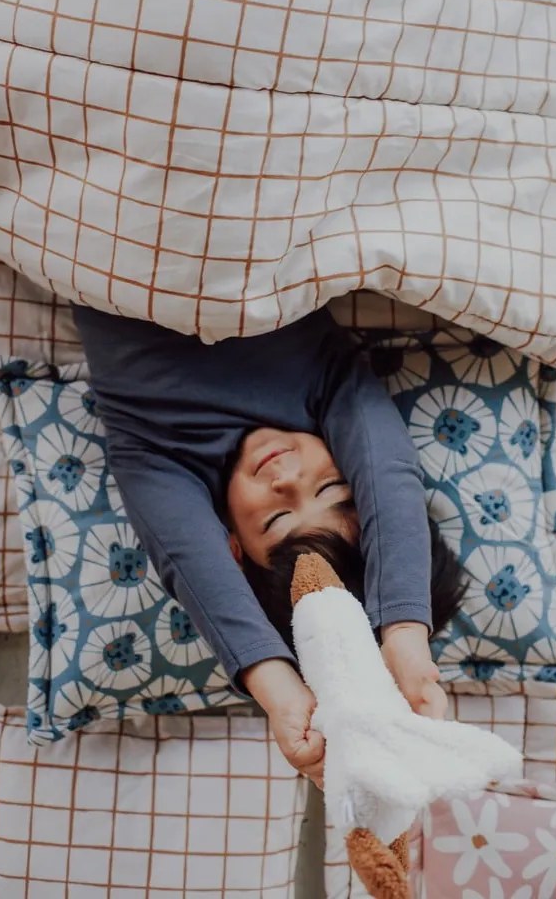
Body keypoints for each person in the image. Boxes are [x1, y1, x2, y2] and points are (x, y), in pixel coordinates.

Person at [72, 303, 465, 789]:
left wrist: (277, 688)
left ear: (233, 550)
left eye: (277, 519)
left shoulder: (157, 455)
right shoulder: (328, 384)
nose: (287, 480)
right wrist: (403, 630)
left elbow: (191, 564)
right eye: (330, 488)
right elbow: (388, 476)